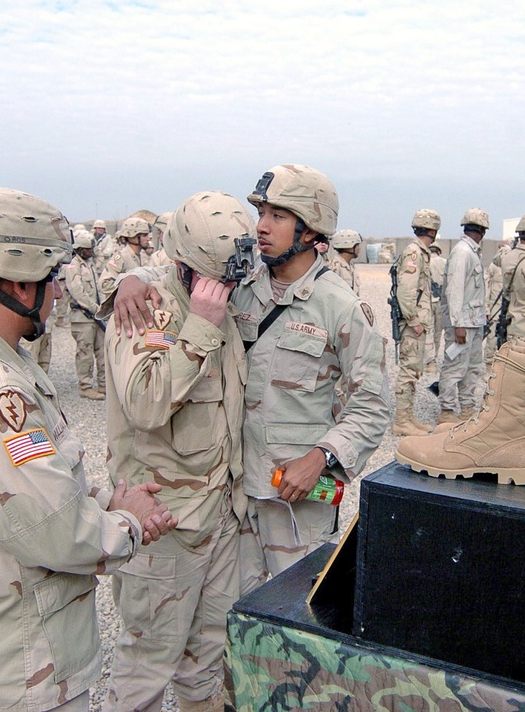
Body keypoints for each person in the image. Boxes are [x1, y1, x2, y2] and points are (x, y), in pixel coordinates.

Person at [0, 186, 176, 712]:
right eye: (51, 277)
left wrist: (104, 500)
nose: (58, 292)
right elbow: (58, 535)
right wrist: (128, 521)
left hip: (10, 651)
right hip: (24, 669)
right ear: (17, 280)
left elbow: (36, 487)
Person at [111, 164, 390, 588]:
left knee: (294, 622)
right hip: (234, 501)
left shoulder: (342, 309)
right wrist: (131, 279)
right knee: (235, 625)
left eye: (277, 216)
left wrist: (321, 458)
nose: (260, 226)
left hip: (294, 506)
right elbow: (180, 269)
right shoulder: (242, 282)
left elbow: (372, 405)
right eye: (260, 213)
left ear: (312, 230)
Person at [103, 192, 250, 712]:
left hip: (219, 519)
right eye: (219, 279)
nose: (231, 290)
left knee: (207, 660)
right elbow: (145, 404)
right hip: (165, 528)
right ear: (187, 267)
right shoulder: (146, 311)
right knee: (146, 668)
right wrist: (199, 328)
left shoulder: (225, 299)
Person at [437, 208, 488, 424]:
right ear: (483, 231)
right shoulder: (462, 253)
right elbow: (454, 290)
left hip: (473, 323)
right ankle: (447, 413)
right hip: (463, 324)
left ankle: (467, 408)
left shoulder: (472, 252)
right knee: (454, 367)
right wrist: (457, 324)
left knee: (473, 368)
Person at [392, 209, 439, 435]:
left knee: (414, 371)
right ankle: (402, 422)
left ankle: (408, 418)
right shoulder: (414, 253)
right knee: (408, 372)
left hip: (417, 323)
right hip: (413, 325)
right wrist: (414, 320)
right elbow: (406, 291)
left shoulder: (421, 252)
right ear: (432, 229)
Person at [63, 231, 105, 399]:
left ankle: (104, 385)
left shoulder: (90, 265)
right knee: (85, 353)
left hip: (95, 316)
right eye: (88, 249)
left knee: (102, 352)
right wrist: (95, 308)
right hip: (82, 318)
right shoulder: (73, 267)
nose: (91, 252)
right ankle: (85, 386)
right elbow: (78, 292)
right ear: (80, 249)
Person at [100, 216, 151, 298]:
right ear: (133, 237)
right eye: (144, 235)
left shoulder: (143, 257)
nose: (148, 239)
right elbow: (105, 284)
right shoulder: (121, 257)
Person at [425, 241, 446, 373]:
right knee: (438, 331)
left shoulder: (426, 262)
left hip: (427, 300)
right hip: (442, 301)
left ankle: (429, 361)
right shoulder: (445, 262)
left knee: (429, 330)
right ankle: (435, 357)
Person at [326, 228, 362, 296]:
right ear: (348, 245)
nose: (359, 248)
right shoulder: (334, 267)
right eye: (357, 245)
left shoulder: (351, 266)